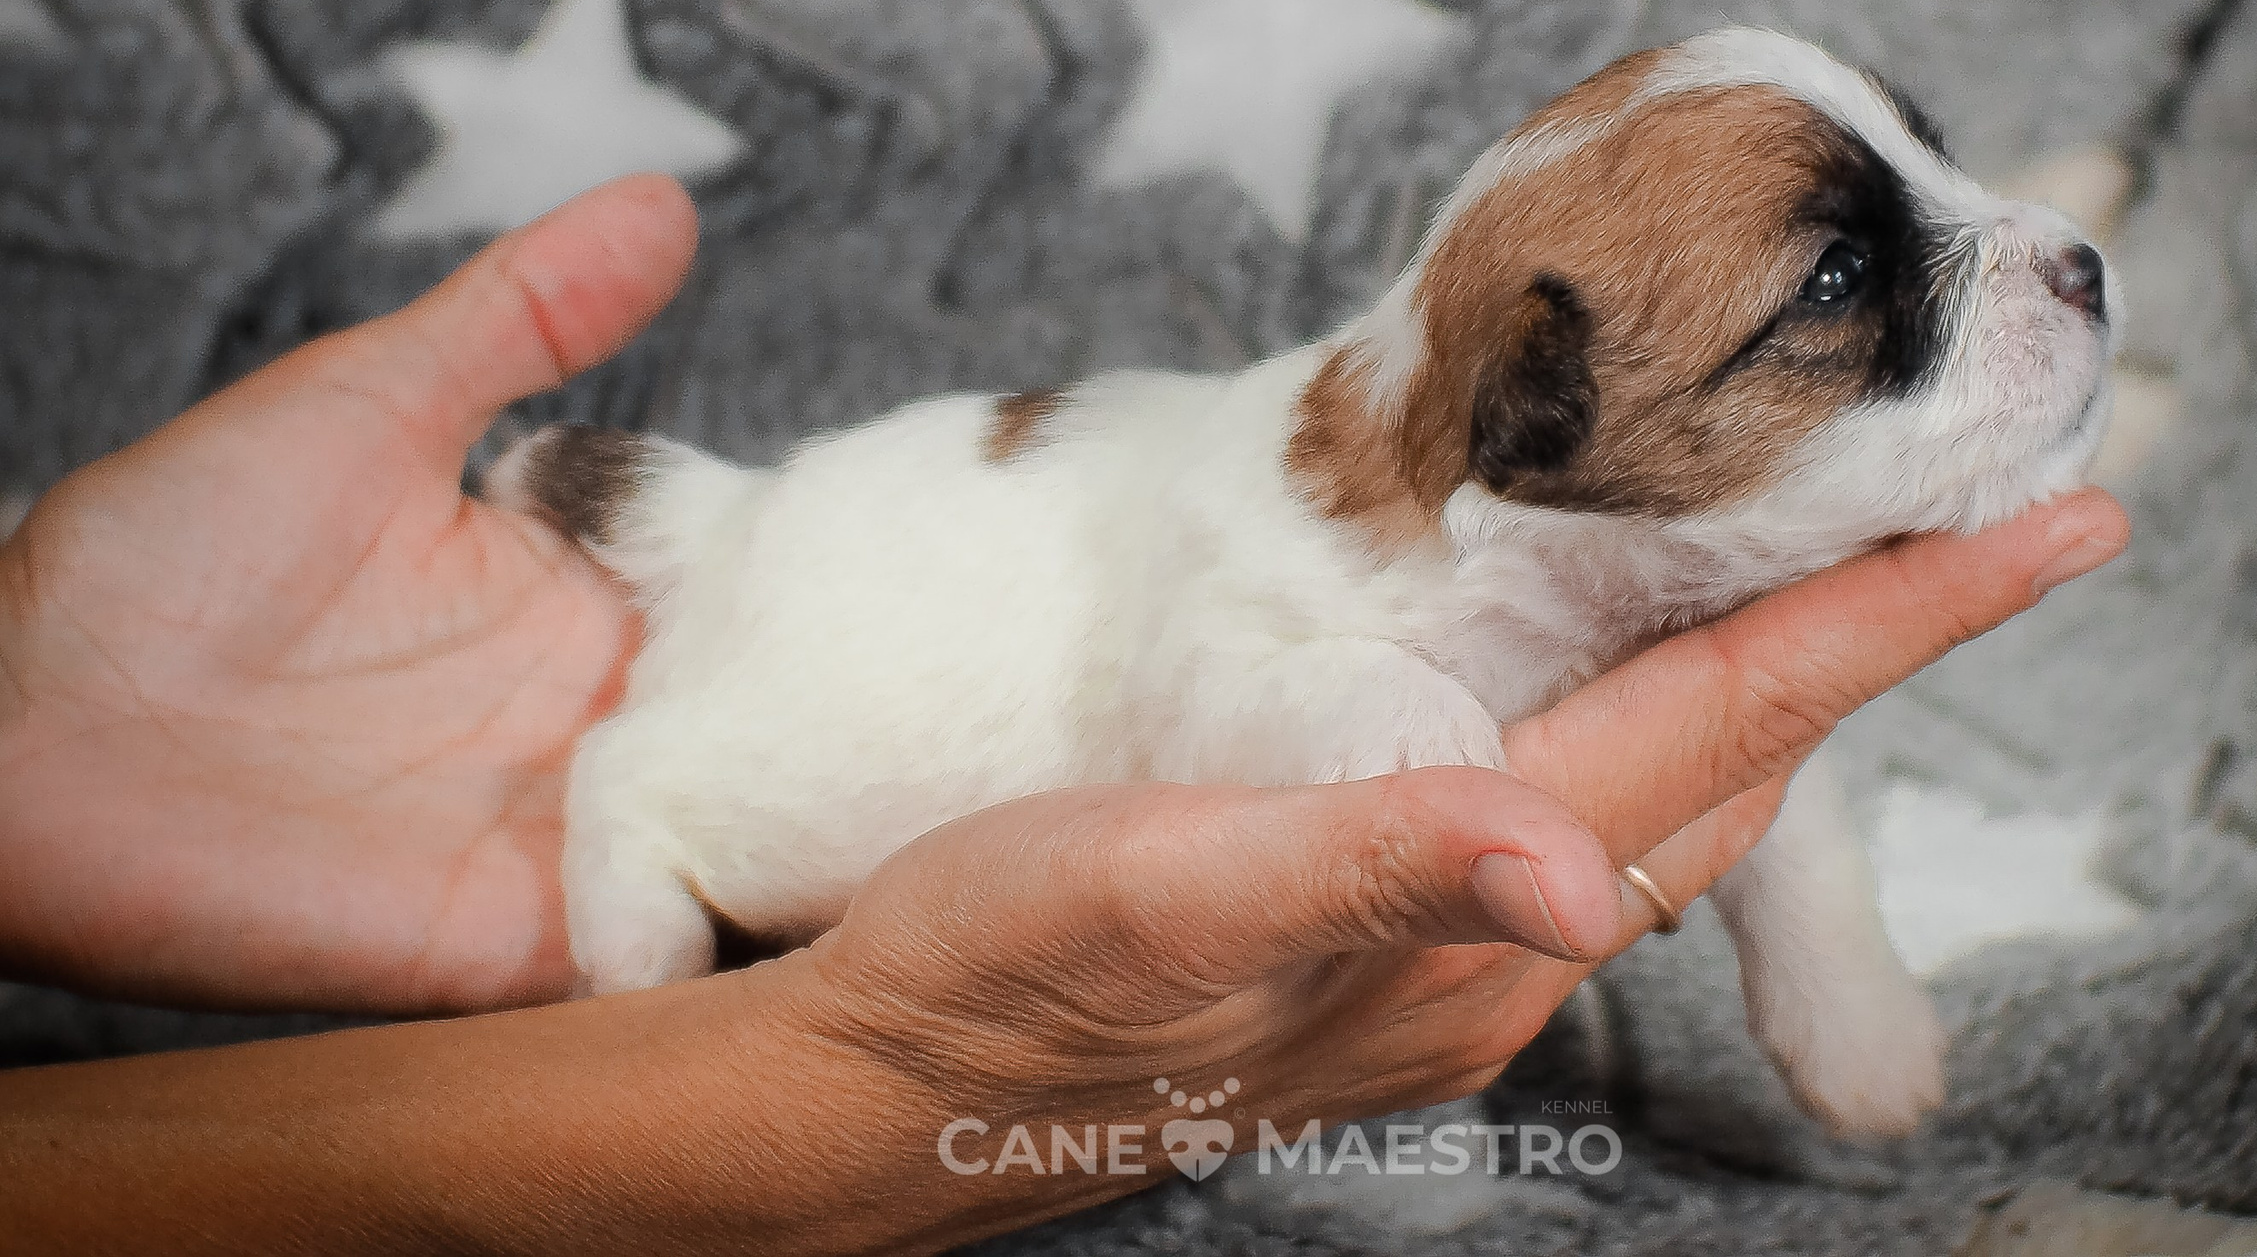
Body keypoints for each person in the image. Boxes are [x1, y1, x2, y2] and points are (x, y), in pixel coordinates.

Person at [0, 175, 2128, 1254]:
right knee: (799, 798)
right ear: (1535, 433)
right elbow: (1248, 684)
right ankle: (639, 804)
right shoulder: (1327, 569)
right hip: (888, 579)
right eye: (1850, 289)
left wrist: (1812, 940)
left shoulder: (1622, 533)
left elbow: (1763, 734)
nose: (2038, 261)